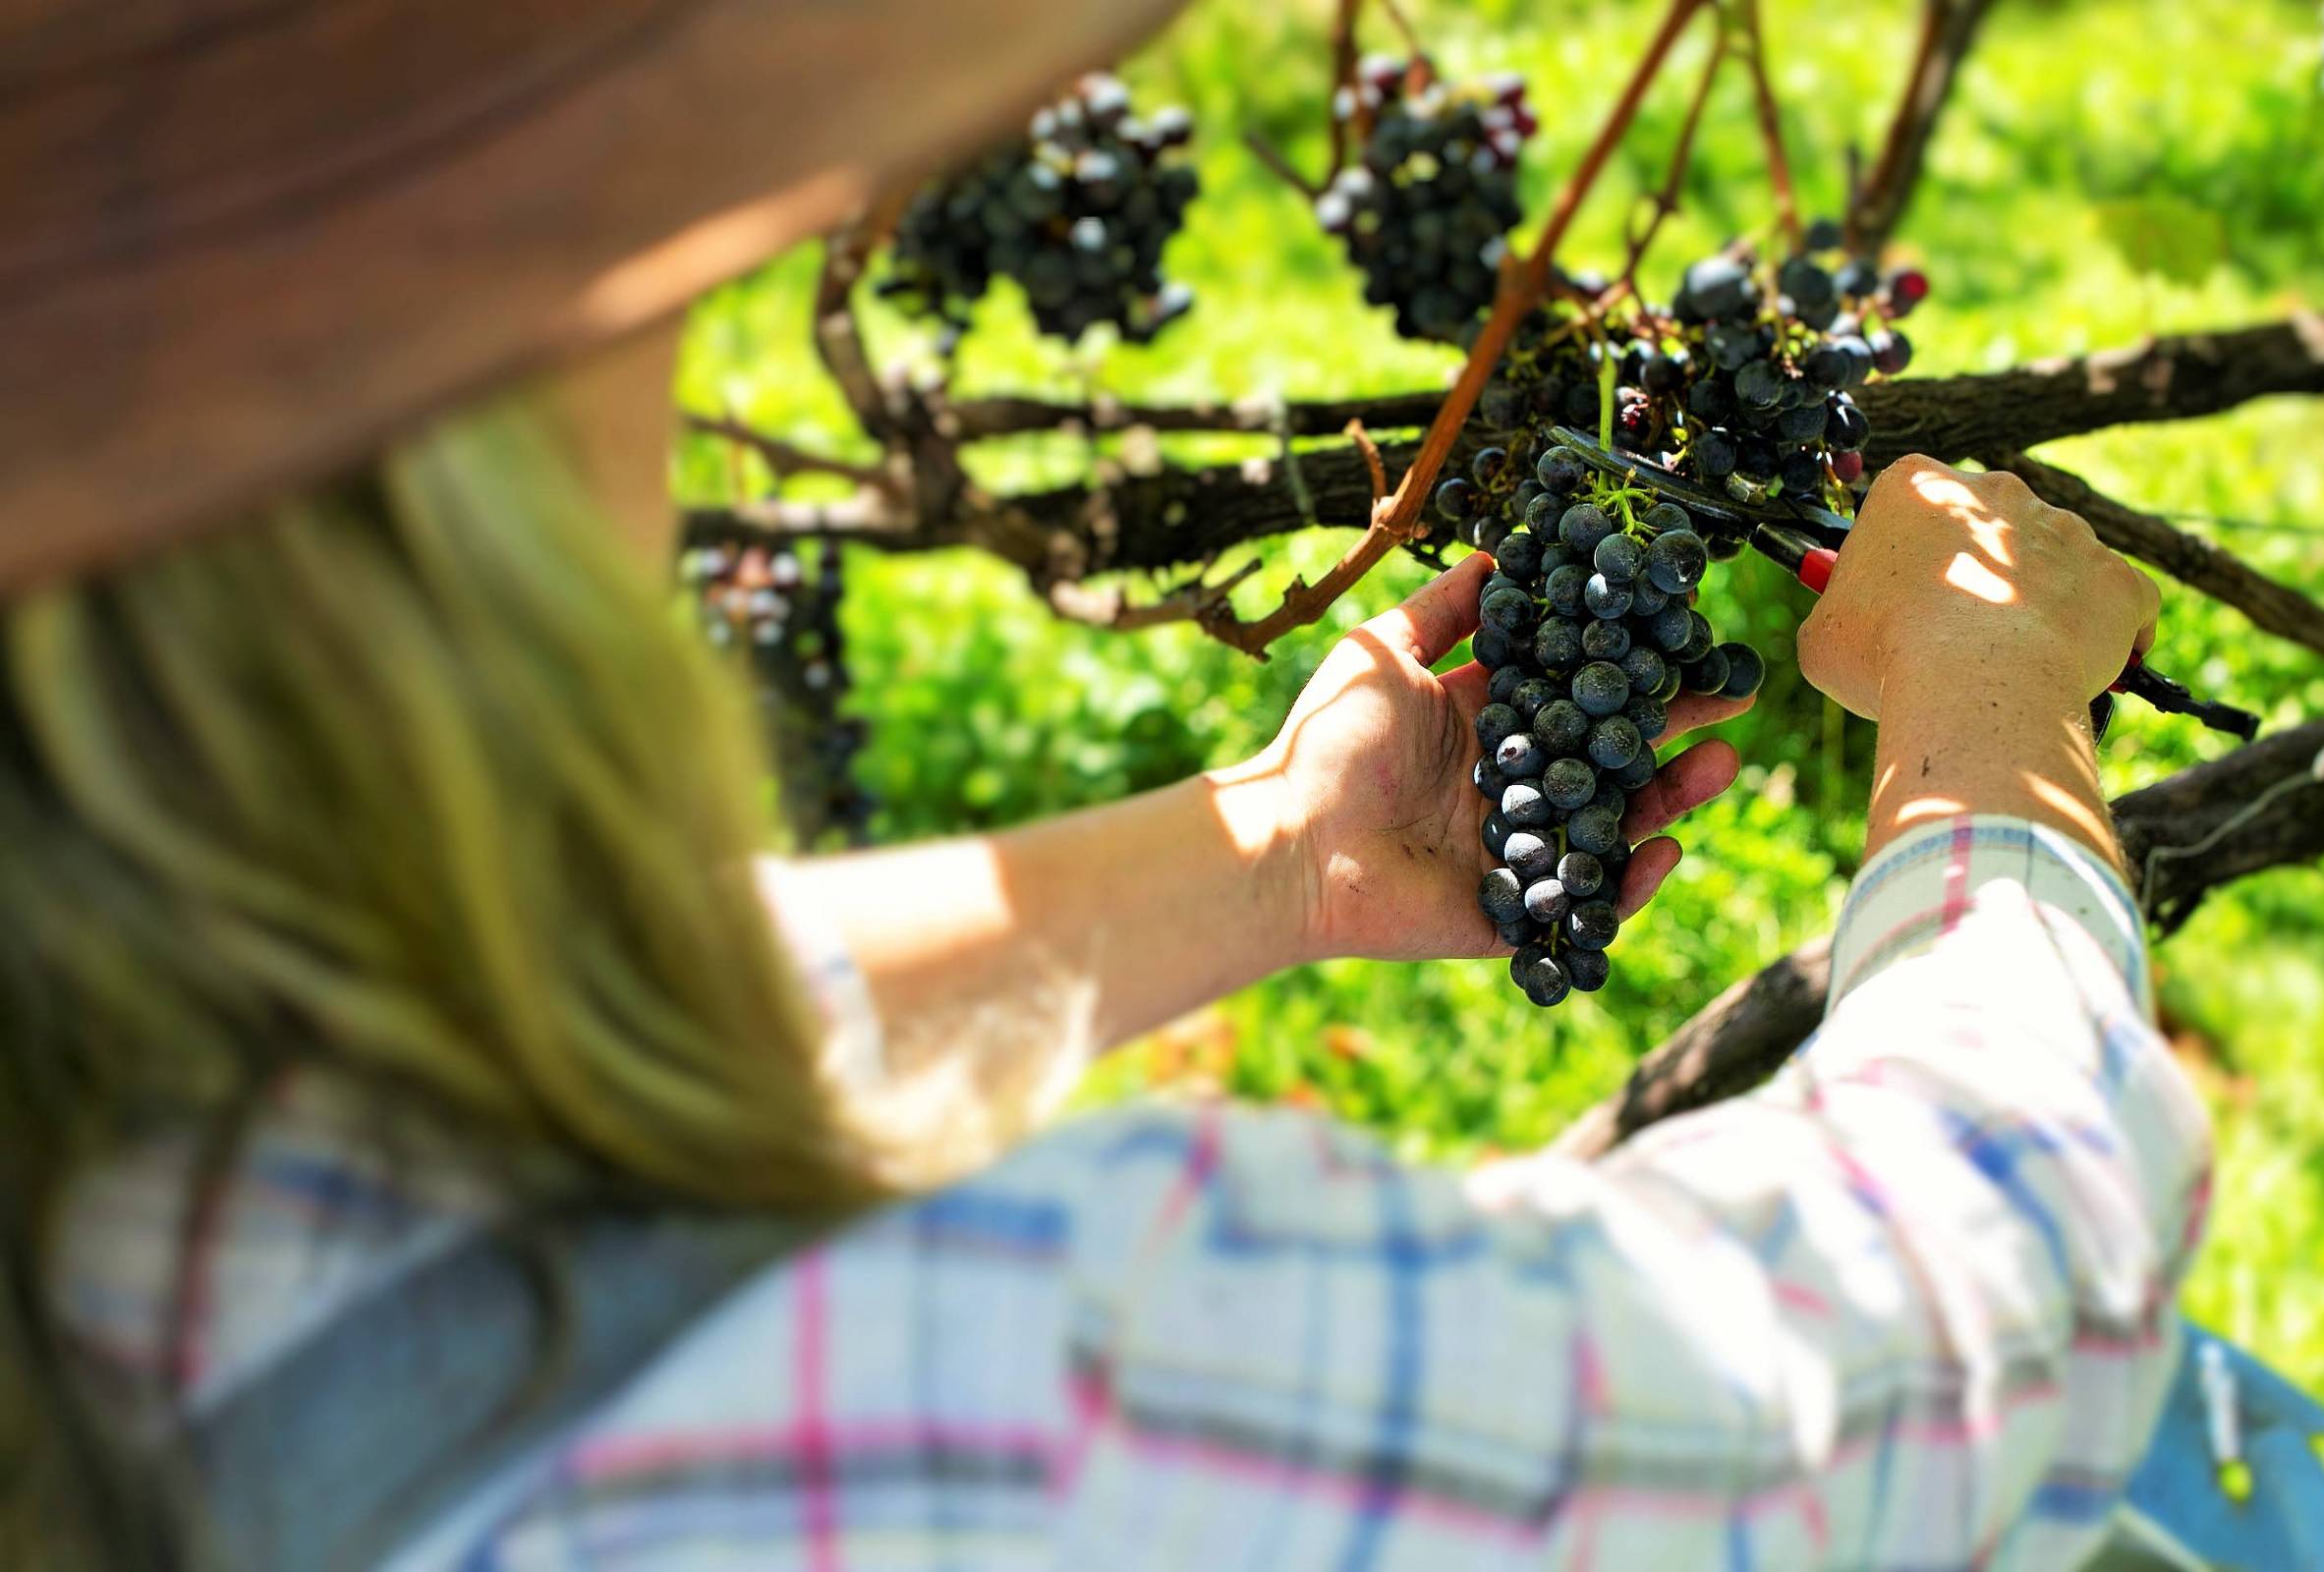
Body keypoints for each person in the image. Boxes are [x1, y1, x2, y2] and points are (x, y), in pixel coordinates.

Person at [0, 8, 2199, 1570]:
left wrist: (1276, 855)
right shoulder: (1000, 1399)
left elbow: (485, 1075)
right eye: (632, 301)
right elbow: (1947, 1326)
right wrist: (1986, 714)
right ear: (451, 466)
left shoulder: (114, 1143)